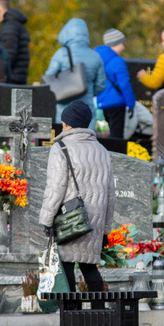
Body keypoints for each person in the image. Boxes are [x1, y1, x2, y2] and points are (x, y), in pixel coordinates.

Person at [38, 100, 115, 298]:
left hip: (70, 219)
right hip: (94, 220)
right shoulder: (102, 151)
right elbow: (110, 194)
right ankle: (100, 315)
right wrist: (106, 229)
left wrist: (46, 220)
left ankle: (71, 316)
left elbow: (55, 188)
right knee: (89, 267)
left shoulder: (61, 148)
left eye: (64, 121)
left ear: (68, 124)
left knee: (66, 265)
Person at [45, 18, 105, 130]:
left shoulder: (61, 54)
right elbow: (101, 85)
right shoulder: (96, 56)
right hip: (87, 107)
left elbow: (49, 77)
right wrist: (88, 91)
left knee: (64, 141)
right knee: (87, 140)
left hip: (64, 105)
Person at [95, 28, 136, 139]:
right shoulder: (118, 61)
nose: (123, 47)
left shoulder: (97, 59)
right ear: (115, 44)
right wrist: (131, 104)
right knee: (117, 137)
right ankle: (116, 156)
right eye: (121, 43)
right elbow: (125, 85)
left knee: (112, 134)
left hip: (103, 103)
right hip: (117, 103)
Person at [0, 0, 30, 84]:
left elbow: (9, 54)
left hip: (12, 78)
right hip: (18, 76)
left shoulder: (10, 27)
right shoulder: (17, 24)